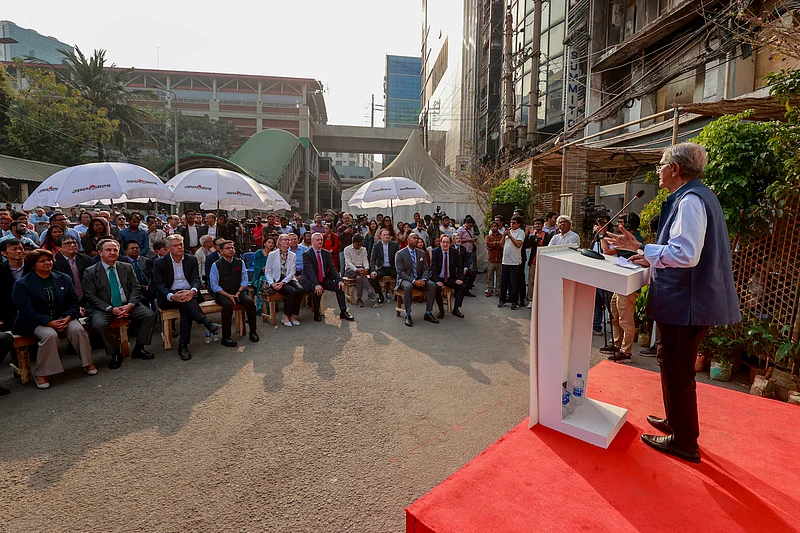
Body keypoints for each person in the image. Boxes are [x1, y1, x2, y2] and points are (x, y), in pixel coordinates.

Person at [606, 142, 740, 463]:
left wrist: (645, 248)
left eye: (661, 166)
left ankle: (684, 442)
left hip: (688, 303)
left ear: (675, 169)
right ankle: (675, 421)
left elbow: (686, 253)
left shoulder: (691, 200)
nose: (659, 172)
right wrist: (648, 257)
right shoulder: (696, 196)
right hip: (685, 300)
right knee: (669, 359)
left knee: (679, 370)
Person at [12, 249, 95, 388]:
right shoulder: (22, 284)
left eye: (49, 260)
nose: (47, 263)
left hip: (63, 317)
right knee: (50, 335)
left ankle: (88, 362)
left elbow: (74, 302)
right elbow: (26, 310)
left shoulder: (63, 278)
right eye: (42, 261)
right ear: (33, 265)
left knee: (78, 330)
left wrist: (68, 317)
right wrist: (48, 322)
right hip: (35, 321)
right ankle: (41, 373)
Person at [83, 239, 157, 369]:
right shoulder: (90, 271)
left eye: (115, 250)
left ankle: (139, 348)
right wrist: (110, 309)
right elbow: (91, 296)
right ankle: (115, 353)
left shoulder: (126, 267)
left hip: (127, 304)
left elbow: (135, 288)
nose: (112, 252)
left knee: (149, 315)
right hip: (104, 308)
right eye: (108, 250)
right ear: (100, 253)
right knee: (99, 324)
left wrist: (130, 305)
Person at [153, 234, 222, 360]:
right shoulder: (160, 262)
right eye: (176, 245)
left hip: (189, 294)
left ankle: (183, 345)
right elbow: (159, 284)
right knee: (187, 306)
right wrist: (172, 296)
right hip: (169, 296)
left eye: (181, 245)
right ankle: (206, 323)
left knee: (186, 307)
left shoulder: (191, 259)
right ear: (168, 248)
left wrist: (192, 291)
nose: (180, 247)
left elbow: (196, 279)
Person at [598, 213, 644, 361]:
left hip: (629, 286)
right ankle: (617, 344)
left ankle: (626, 351)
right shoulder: (629, 238)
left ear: (629, 226)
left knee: (625, 319)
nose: (618, 227)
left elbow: (607, 251)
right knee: (615, 316)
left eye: (621, 223)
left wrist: (601, 235)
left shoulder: (634, 241)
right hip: (620, 283)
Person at [209, 240, 259, 345]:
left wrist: (239, 291)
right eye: (227, 248)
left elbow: (244, 280)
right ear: (221, 251)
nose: (231, 250)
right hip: (223, 293)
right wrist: (228, 295)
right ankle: (226, 337)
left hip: (238, 291)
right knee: (227, 306)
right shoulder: (216, 265)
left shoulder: (239, 262)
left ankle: (253, 331)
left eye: (232, 248)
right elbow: (214, 285)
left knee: (249, 303)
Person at [300, 233, 354, 322]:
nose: (320, 241)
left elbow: (332, 268)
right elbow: (310, 271)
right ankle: (316, 312)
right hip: (310, 280)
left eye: (321, 240)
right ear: (312, 241)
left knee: (339, 287)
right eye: (317, 240)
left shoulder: (325, 253)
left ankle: (343, 312)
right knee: (318, 290)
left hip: (323, 278)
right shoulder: (307, 254)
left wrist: (339, 280)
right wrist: (316, 284)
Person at [394, 232, 438, 327]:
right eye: (414, 238)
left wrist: (423, 279)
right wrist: (413, 281)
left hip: (419, 278)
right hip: (404, 279)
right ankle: (408, 315)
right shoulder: (400, 253)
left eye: (417, 238)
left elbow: (426, 269)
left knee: (432, 285)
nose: (417, 240)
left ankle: (428, 313)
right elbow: (400, 272)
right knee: (409, 286)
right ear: (408, 240)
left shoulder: (421, 253)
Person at [264, 234, 304, 327]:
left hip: (288, 279)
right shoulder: (272, 254)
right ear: (280, 242)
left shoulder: (292, 255)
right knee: (292, 292)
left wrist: (283, 283)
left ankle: (291, 315)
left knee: (300, 289)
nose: (287, 242)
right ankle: (285, 316)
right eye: (285, 240)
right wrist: (272, 283)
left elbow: (292, 272)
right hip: (276, 279)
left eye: (289, 240)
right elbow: (268, 271)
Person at [430, 234, 467, 319]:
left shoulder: (454, 252)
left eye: (447, 242)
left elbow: (460, 266)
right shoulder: (436, 252)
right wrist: (437, 280)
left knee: (462, 286)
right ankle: (441, 310)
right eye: (443, 242)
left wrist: (460, 278)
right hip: (439, 277)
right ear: (440, 243)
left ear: (450, 244)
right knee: (436, 288)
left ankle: (456, 309)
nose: (445, 244)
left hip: (450, 278)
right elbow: (433, 268)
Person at [52, 235, 92, 306]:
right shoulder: (54, 262)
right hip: (65, 301)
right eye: (68, 243)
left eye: (74, 243)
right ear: (58, 248)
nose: (73, 245)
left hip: (87, 299)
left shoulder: (86, 259)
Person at [344, 233, 378, 307]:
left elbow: (365, 261)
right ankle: (369, 291)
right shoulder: (347, 249)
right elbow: (348, 262)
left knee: (359, 278)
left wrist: (366, 269)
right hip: (350, 269)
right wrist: (356, 270)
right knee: (360, 274)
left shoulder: (363, 250)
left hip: (361, 270)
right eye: (357, 245)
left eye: (360, 244)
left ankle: (359, 299)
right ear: (353, 243)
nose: (359, 246)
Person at [498, 216, 525, 310]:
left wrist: (509, 236)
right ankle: (502, 299)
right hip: (505, 261)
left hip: (515, 262)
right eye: (511, 222)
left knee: (514, 283)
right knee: (503, 282)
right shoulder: (509, 232)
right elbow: (501, 244)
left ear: (519, 224)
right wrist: (504, 236)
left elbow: (518, 244)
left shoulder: (520, 232)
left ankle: (514, 301)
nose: (511, 224)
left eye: (514, 223)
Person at [369, 228, 399, 304]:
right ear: (380, 236)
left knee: (401, 275)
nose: (386, 236)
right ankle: (380, 294)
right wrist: (373, 270)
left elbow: (398, 258)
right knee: (373, 277)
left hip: (392, 267)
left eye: (387, 235)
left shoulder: (394, 245)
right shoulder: (376, 245)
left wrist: (399, 269)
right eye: (384, 235)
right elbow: (372, 259)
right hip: (381, 268)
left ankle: (397, 294)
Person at [526, 218, 551, 307]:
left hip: (543, 261)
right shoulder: (533, 236)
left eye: (539, 224)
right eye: (535, 224)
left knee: (542, 281)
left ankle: (541, 299)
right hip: (533, 261)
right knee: (531, 281)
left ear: (542, 225)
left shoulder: (548, 235)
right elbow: (527, 245)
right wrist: (528, 234)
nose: (537, 225)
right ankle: (531, 299)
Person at [451, 233, 477, 297]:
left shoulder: (463, 249)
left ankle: (466, 290)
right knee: (457, 273)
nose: (458, 240)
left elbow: (466, 260)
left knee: (473, 272)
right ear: (453, 240)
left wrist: (465, 268)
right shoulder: (450, 249)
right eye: (456, 238)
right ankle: (457, 291)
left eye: (459, 238)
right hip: (453, 269)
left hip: (462, 267)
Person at [485, 221, 503, 297]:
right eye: (492, 226)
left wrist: (494, 244)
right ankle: (489, 290)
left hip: (499, 259)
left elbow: (502, 245)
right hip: (491, 259)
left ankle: (498, 290)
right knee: (490, 276)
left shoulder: (502, 236)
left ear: (498, 227)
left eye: (495, 226)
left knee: (499, 276)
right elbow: (488, 244)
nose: (493, 228)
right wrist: (496, 243)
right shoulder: (488, 237)